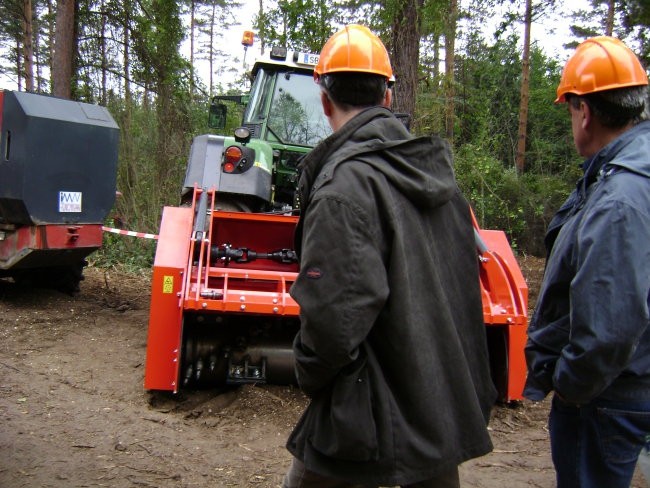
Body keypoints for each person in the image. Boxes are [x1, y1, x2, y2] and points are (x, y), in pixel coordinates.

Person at [282, 24, 497, 488]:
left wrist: (308, 371)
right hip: (436, 416)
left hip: (368, 430)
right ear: (387, 95)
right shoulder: (436, 177)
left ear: (324, 99)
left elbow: (333, 327)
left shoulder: (342, 191)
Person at [524, 36, 650, 488]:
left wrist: (571, 385)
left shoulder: (619, 198)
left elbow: (610, 327)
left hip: (607, 398)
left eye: (570, 109)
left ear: (585, 111)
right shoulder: (631, 173)